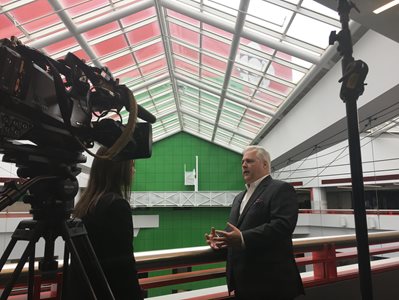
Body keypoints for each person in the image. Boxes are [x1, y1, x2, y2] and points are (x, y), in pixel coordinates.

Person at [205, 145, 304, 300]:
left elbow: (283, 226)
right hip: (242, 282)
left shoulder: (281, 188)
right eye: (243, 162)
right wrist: (219, 242)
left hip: (271, 284)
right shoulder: (239, 197)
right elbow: (233, 231)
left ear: (265, 164)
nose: (244, 165)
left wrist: (243, 238)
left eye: (249, 161)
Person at [69, 146, 143, 300]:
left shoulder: (85, 204)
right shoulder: (117, 206)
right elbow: (124, 266)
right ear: (119, 168)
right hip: (108, 291)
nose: (133, 172)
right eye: (132, 166)